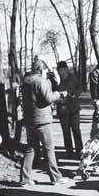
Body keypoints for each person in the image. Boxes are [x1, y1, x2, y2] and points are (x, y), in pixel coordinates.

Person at [20, 58, 69, 186]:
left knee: (31, 149)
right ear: (41, 69)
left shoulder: (26, 81)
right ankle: (56, 178)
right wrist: (58, 94)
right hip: (42, 120)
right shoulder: (40, 81)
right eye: (46, 70)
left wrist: (51, 81)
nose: (47, 72)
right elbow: (48, 98)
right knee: (49, 149)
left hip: (30, 120)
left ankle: (24, 179)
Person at [55, 61, 83, 158]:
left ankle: (79, 151)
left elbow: (80, 88)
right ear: (58, 71)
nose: (62, 72)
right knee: (66, 131)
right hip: (62, 109)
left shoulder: (73, 77)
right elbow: (53, 93)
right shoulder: (56, 80)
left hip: (74, 108)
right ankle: (69, 151)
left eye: (64, 69)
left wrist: (75, 94)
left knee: (76, 130)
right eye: (60, 70)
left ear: (67, 69)